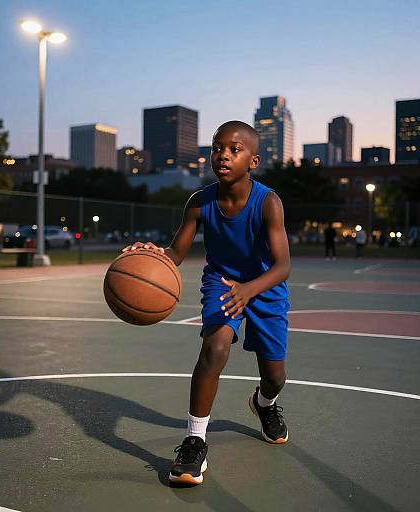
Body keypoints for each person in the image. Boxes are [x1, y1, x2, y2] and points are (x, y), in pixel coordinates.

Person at [122, 120, 291, 485]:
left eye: (234, 149)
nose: (223, 155)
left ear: (253, 161)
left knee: (275, 376)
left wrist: (250, 290)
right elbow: (175, 253)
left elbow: (283, 266)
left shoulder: (269, 203)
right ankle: (195, 441)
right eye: (217, 148)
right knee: (215, 347)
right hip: (223, 282)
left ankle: (264, 403)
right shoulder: (199, 202)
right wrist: (153, 255)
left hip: (265, 287)